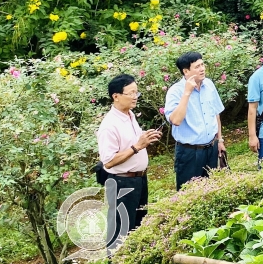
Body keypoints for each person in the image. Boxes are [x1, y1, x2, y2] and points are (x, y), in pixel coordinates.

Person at [96, 74, 161, 250]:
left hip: (139, 179)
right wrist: (137, 146)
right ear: (115, 96)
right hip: (122, 182)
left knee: (139, 224)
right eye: (130, 93)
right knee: (120, 227)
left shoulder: (129, 115)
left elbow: (132, 142)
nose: (134, 97)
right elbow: (108, 161)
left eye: (136, 93)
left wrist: (146, 137)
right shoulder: (109, 125)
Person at [164, 51, 226, 191]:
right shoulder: (175, 91)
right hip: (189, 152)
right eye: (197, 67)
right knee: (189, 193)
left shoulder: (209, 84)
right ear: (186, 71)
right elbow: (175, 120)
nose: (202, 69)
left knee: (211, 190)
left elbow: (215, 113)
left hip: (211, 147)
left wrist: (220, 140)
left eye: (202, 64)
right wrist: (187, 92)